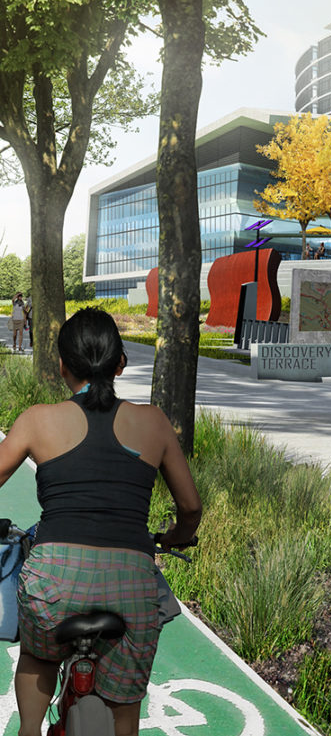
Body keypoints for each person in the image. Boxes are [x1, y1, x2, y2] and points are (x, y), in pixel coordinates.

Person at [0, 307, 202, 734]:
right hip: (132, 583)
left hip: (53, 580)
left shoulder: (37, 420)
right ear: (120, 363)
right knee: (124, 710)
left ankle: (28, 731)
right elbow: (191, 509)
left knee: (38, 656)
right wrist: (177, 537)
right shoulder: (154, 422)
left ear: (61, 365)